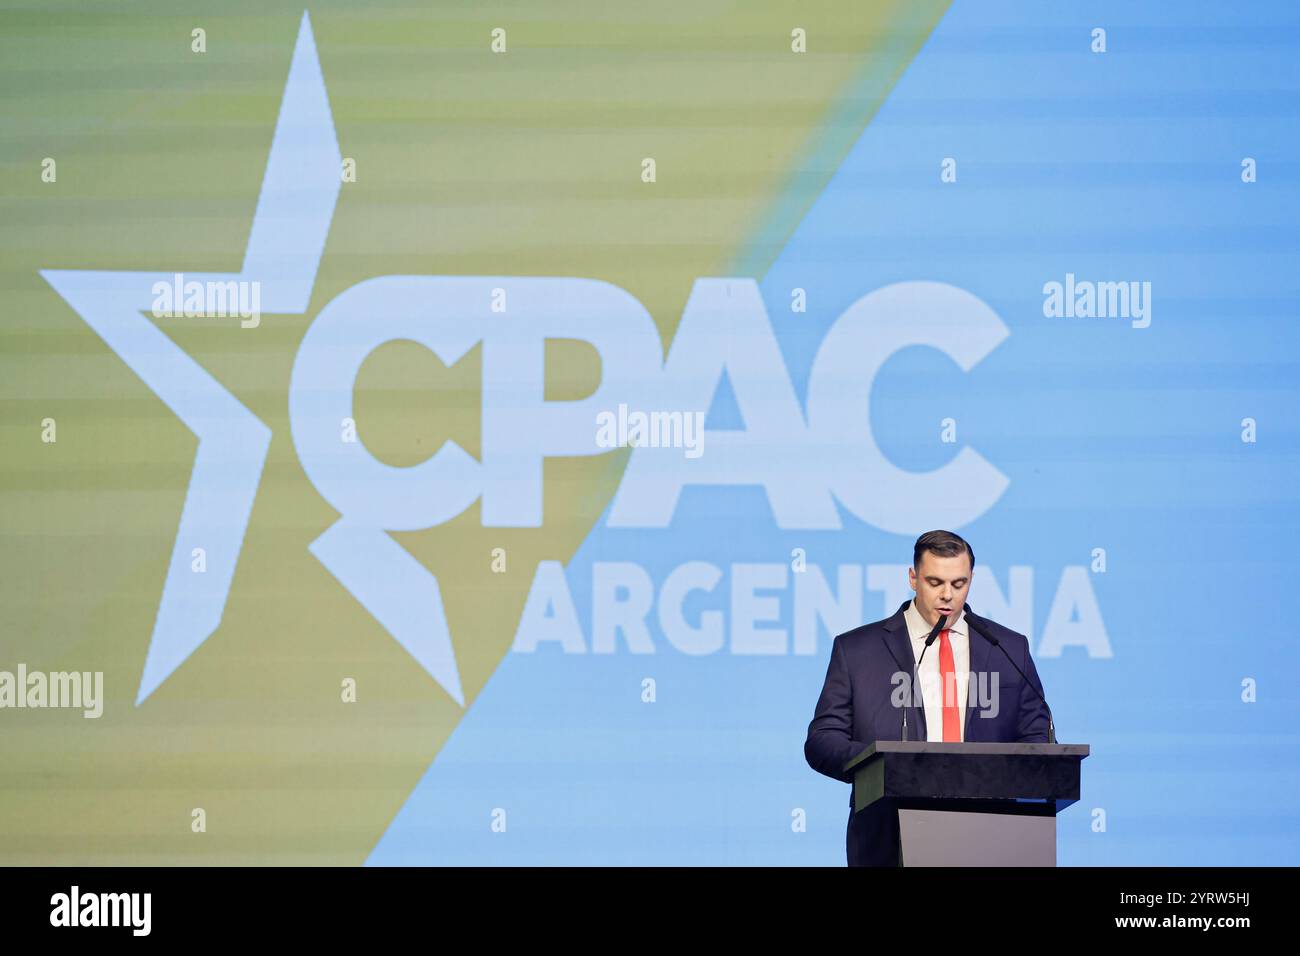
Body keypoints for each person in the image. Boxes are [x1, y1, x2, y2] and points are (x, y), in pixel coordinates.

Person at [803, 530, 1051, 866]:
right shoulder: (858, 650)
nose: (947, 595)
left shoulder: (1008, 649)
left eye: (959, 584)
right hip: (888, 836)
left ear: (971, 580)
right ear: (913, 577)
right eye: (935, 582)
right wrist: (881, 764)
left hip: (991, 834)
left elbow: (1037, 741)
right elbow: (822, 741)